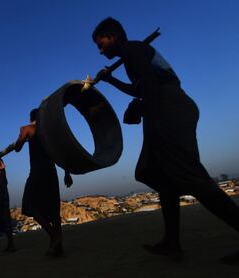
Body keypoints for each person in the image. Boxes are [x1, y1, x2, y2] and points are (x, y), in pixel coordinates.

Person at [90, 17, 239, 263]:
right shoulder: (131, 55)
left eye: (101, 42)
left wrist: (145, 111)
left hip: (168, 110)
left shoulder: (132, 49)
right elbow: (142, 86)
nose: (100, 49)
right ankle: (172, 243)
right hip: (164, 109)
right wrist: (111, 80)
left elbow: (150, 86)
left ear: (113, 36)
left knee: (192, 177)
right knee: (158, 174)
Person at [15, 108, 73, 256]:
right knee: (54, 210)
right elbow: (61, 153)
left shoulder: (27, 128)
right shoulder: (50, 132)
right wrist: (67, 173)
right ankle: (58, 249)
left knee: (28, 205)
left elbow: (17, 148)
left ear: (31, 118)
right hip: (51, 173)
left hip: (37, 172)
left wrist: (22, 137)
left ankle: (54, 235)